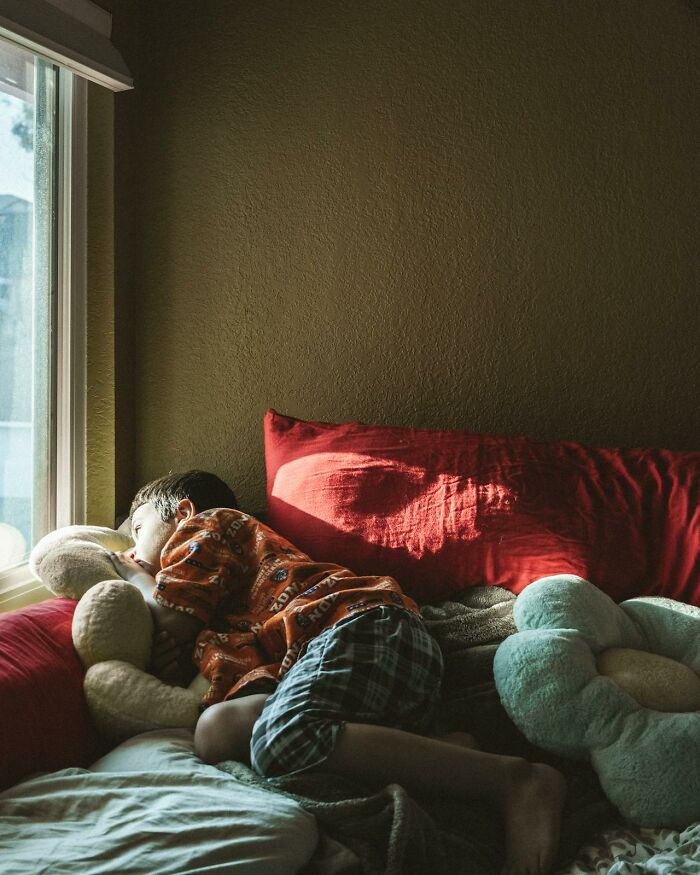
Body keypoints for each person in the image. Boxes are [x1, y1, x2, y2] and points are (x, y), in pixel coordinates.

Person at [110, 469, 566, 875]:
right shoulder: (226, 612)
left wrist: (131, 579)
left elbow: (172, 614)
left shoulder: (211, 524)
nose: (133, 551)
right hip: (338, 669)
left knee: (282, 740)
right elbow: (194, 639)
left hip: (360, 625)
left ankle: (513, 780)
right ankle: (437, 753)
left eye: (137, 531)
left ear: (183, 511)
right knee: (214, 732)